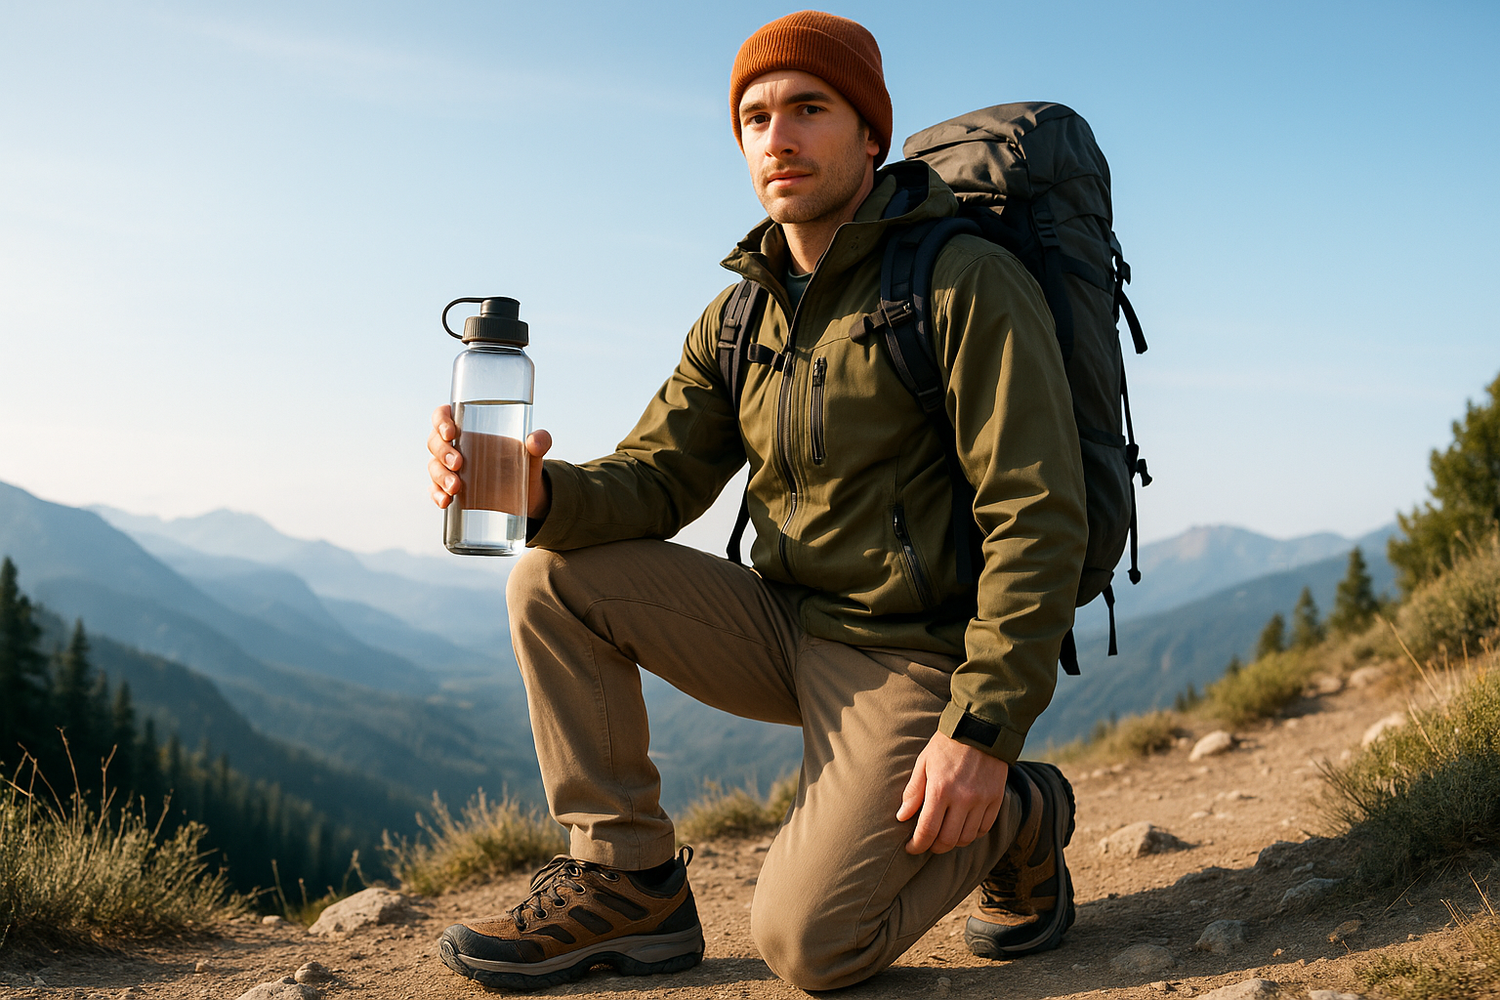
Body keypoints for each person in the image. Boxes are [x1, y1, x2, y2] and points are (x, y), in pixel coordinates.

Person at [425, 11, 1087, 992]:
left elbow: (1036, 513)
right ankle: (628, 881)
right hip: (784, 627)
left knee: (810, 945)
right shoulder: (742, 313)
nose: (778, 137)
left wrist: (983, 733)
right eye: (754, 117)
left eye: (808, 109)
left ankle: (1022, 813)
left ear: (869, 134)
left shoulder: (961, 281)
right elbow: (657, 476)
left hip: (913, 655)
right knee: (549, 577)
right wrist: (542, 492)